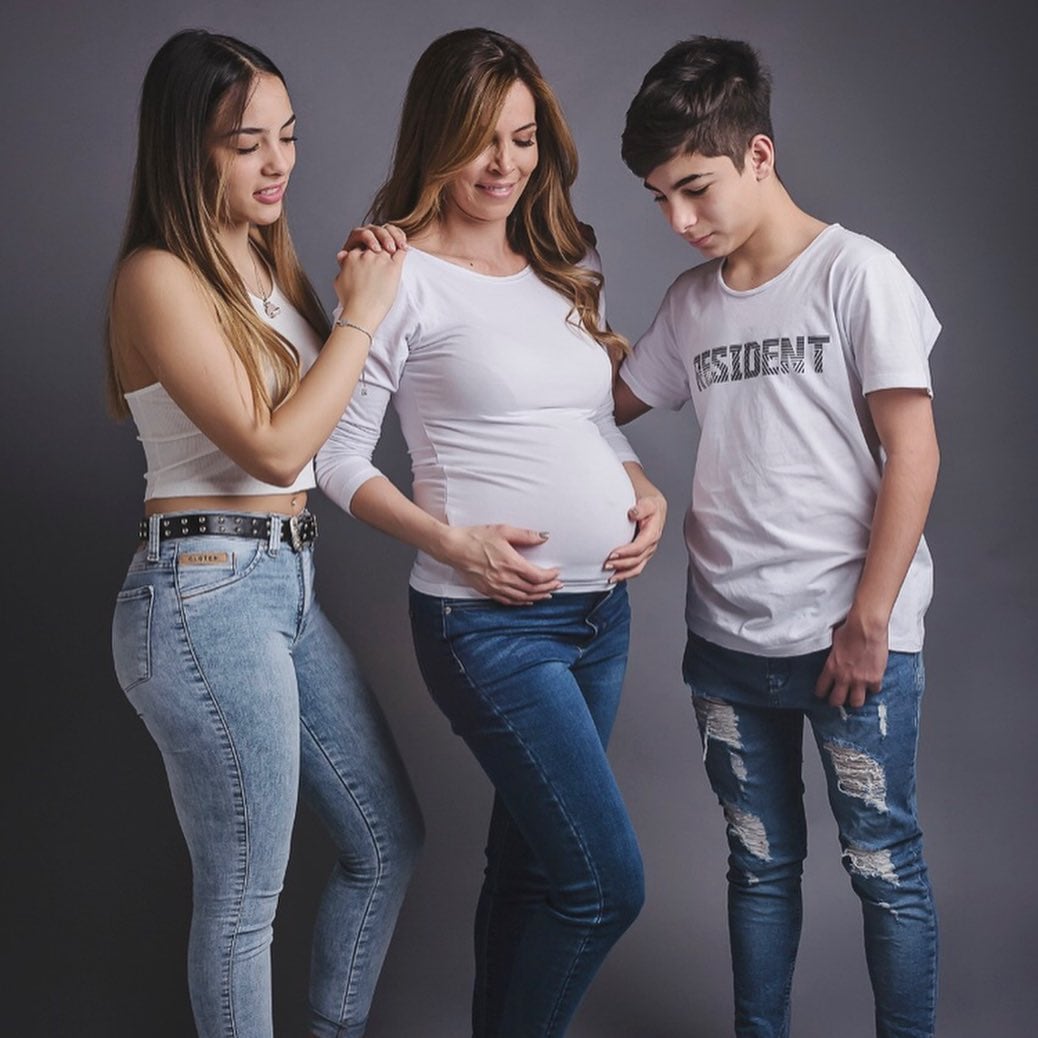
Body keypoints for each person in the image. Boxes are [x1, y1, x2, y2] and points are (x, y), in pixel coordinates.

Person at [316, 27, 665, 1038]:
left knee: (529, 874)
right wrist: (451, 542)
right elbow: (334, 459)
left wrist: (644, 493)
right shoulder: (395, 273)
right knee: (605, 885)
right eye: (481, 141)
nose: (505, 165)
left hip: (601, 616)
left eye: (522, 139)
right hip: (490, 624)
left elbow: (590, 419)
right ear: (435, 138)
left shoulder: (560, 261)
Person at [615, 36, 940, 1038]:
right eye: (660, 198)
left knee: (883, 868)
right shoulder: (690, 304)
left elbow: (914, 454)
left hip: (851, 641)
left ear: (759, 155)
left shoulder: (859, 275)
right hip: (726, 646)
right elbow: (595, 406)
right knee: (759, 867)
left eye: (696, 188)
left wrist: (869, 622)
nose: (679, 220)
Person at [107, 30, 422, 1038]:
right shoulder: (159, 276)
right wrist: (359, 321)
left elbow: (333, 428)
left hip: (283, 587)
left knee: (389, 838)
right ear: (186, 147)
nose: (278, 162)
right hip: (201, 593)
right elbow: (279, 452)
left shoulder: (261, 259)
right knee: (245, 903)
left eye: (286, 137)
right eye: (248, 143)